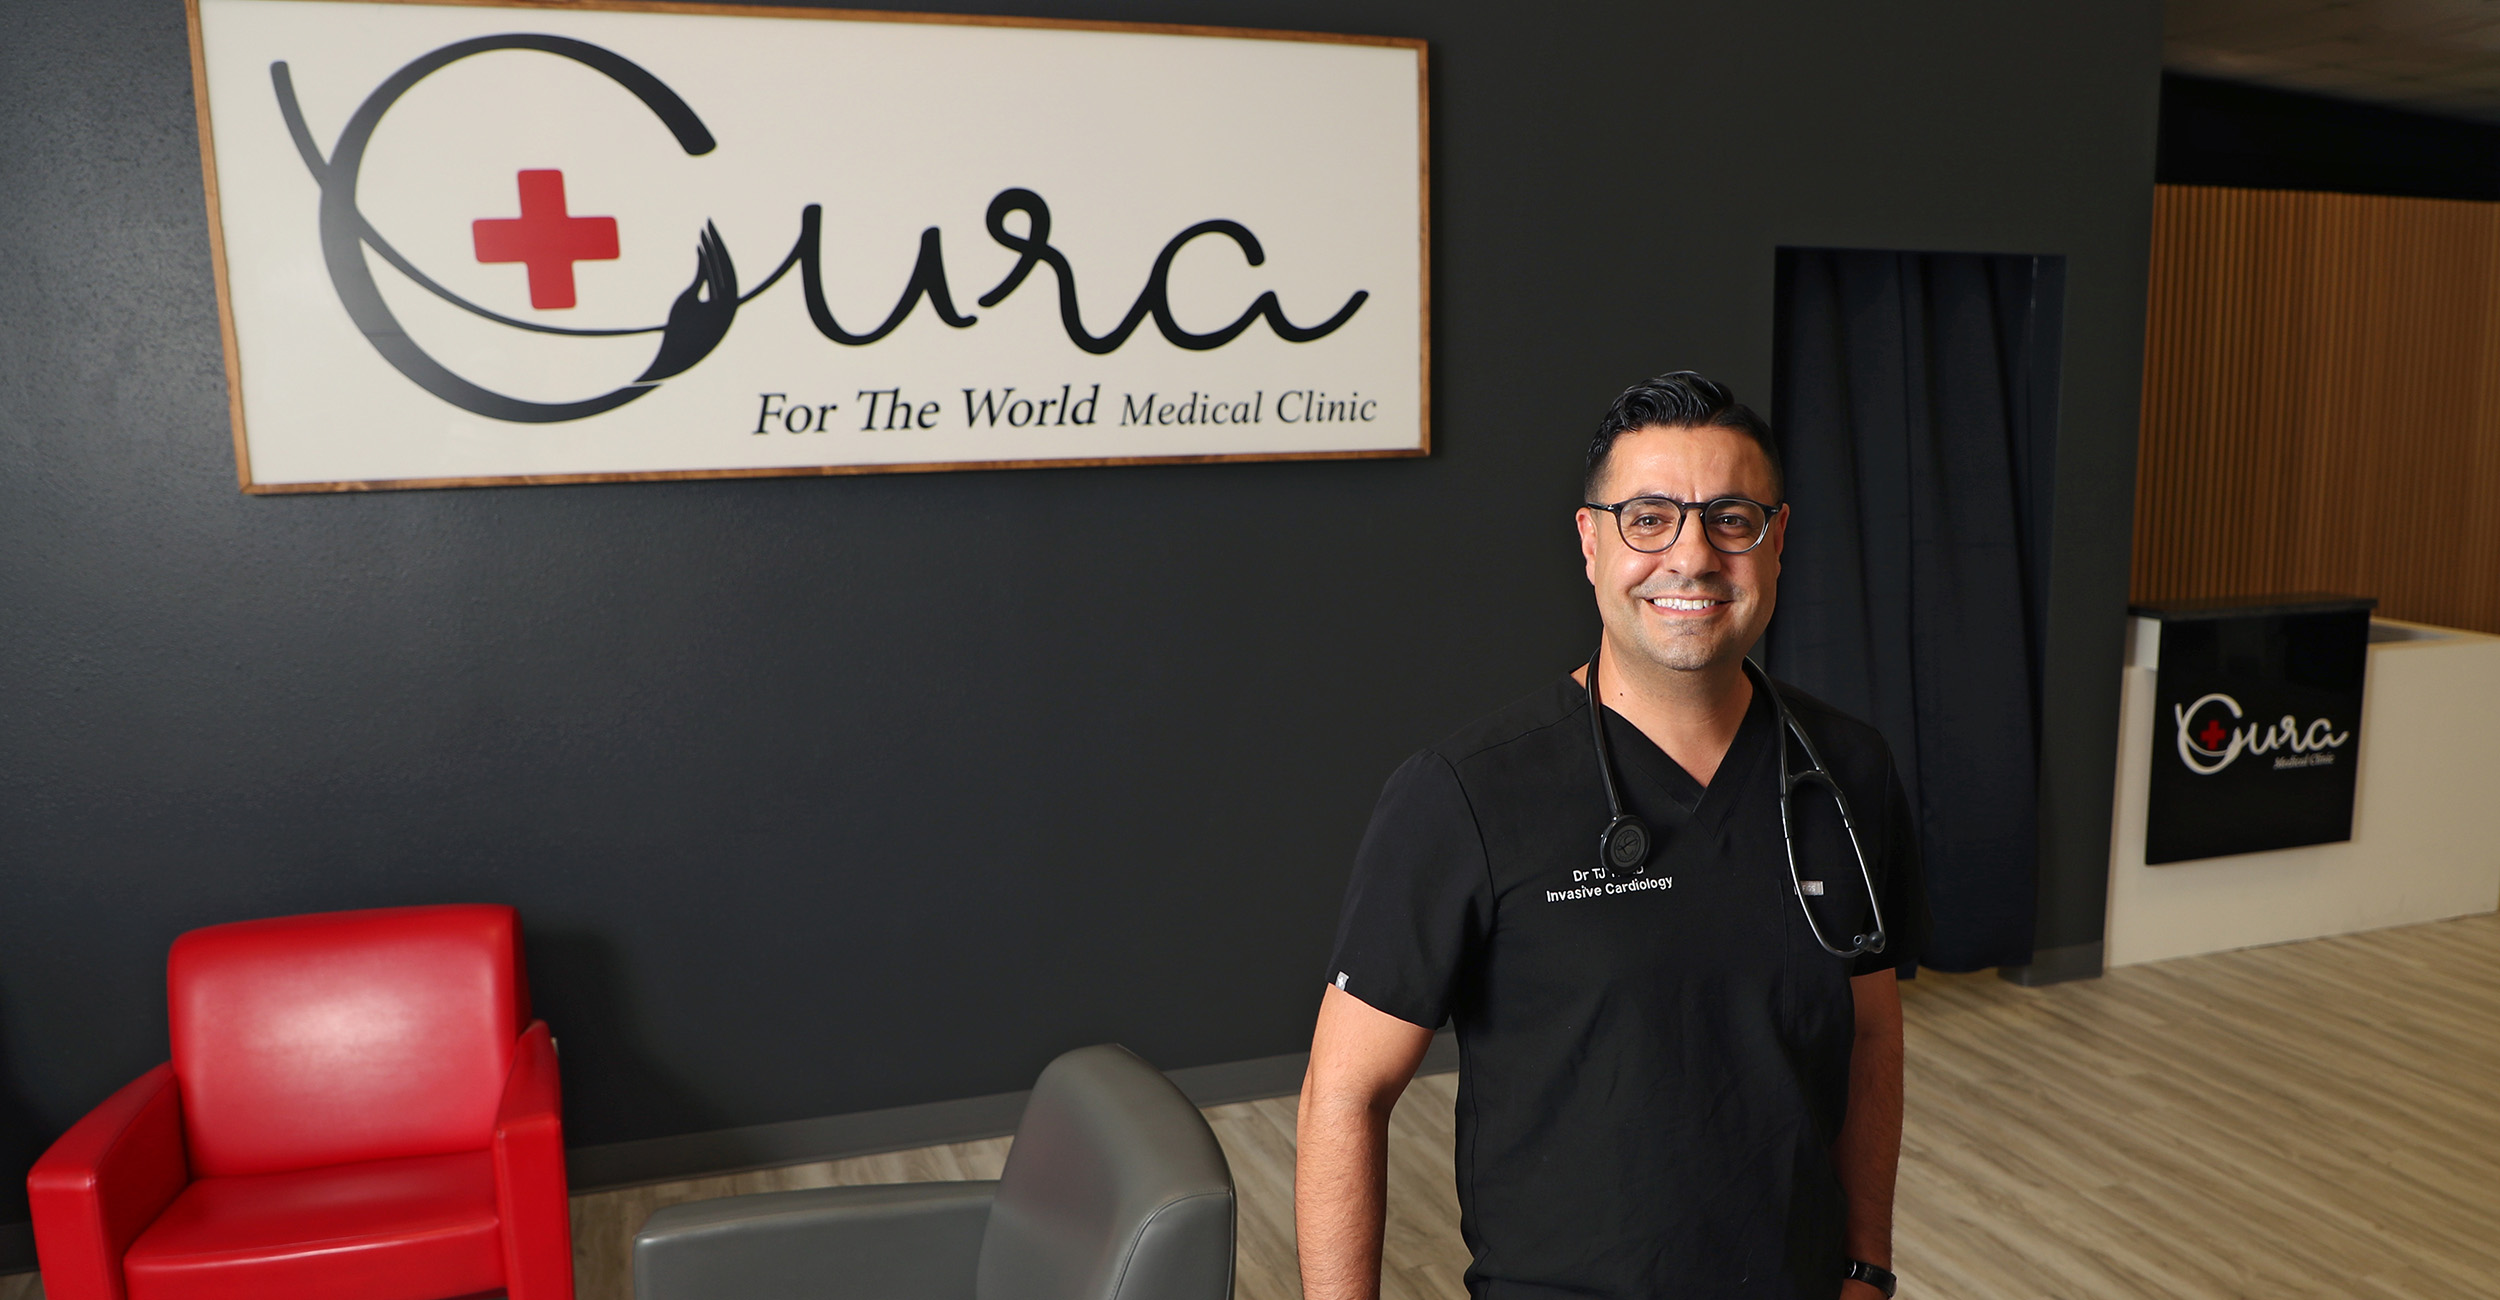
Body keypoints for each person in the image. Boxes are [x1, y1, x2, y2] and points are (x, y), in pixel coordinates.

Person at [1296, 372, 1928, 1300]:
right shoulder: (1464, 795)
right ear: (1591, 543)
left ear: (1777, 540)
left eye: (1731, 519)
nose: (1693, 555)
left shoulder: (1849, 771)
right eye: (1648, 518)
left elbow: (1871, 1032)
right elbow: (1343, 1097)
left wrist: (1867, 1264)